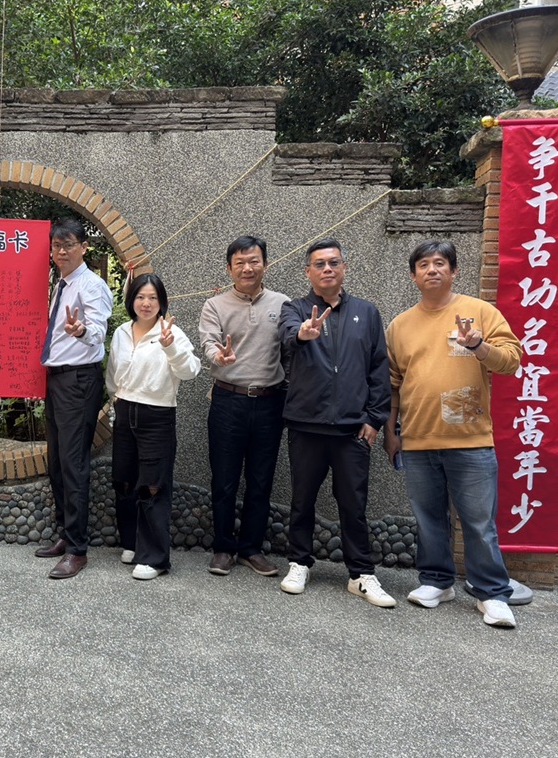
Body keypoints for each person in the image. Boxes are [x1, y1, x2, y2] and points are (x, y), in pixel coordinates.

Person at [385, 240, 521, 628]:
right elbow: (392, 384)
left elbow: (511, 361)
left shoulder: (480, 312)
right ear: (413, 276)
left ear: (454, 271)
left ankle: (492, 593)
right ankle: (437, 582)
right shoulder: (399, 326)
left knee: (479, 523)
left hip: (470, 441)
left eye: (440, 263)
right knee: (429, 519)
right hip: (418, 438)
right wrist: (391, 432)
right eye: (424, 265)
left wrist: (479, 345)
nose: (432, 270)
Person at [277, 238, 395, 607]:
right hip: (306, 425)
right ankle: (299, 563)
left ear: (344, 267)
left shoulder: (367, 313)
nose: (327, 269)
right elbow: (287, 336)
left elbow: (379, 368)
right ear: (308, 271)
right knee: (302, 500)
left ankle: (361, 574)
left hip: (352, 430)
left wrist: (375, 419)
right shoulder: (294, 309)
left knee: (353, 504)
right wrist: (303, 333)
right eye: (319, 264)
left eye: (333, 263)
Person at [198, 235, 289, 579]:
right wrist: (218, 355)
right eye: (240, 262)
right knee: (224, 479)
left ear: (265, 264)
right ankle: (223, 547)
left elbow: (291, 348)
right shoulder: (215, 305)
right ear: (229, 268)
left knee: (261, 479)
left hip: (270, 401)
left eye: (254, 261)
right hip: (228, 400)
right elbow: (208, 341)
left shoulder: (283, 304)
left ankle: (251, 548)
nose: (247, 268)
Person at [35, 218, 114, 579]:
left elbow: (97, 331)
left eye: (68, 245)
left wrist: (81, 330)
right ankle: (67, 535)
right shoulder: (62, 284)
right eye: (56, 245)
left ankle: (77, 550)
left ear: (84, 247)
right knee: (57, 461)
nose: (61, 251)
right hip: (57, 380)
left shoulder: (91, 285)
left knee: (73, 462)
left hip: (78, 380)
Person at [107, 274, 200, 580]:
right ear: (131, 300)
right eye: (140, 297)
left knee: (152, 485)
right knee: (123, 480)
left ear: (162, 302)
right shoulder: (121, 332)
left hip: (156, 414)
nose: (146, 303)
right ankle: (132, 543)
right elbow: (113, 374)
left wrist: (170, 347)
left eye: (152, 298)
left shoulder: (170, 332)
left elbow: (191, 371)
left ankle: (155, 558)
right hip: (124, 410)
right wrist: (114, 404)